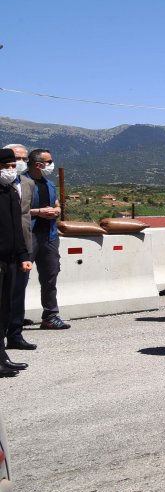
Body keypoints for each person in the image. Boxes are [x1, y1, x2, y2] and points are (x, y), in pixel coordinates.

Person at [0, 148, 33, 377]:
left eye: (14, 166)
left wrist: (23, 256)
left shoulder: (10, 192)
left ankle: (2, 357)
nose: (11, 170)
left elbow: (17, 229)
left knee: (5, 310)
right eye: (6, 166)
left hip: (12, 259)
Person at [27, 148, 67, 330]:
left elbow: (57, 204)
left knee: (50, 277)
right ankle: (14, 317)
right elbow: (14, 211)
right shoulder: (22, 183)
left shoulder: (49, 184)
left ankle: (50, 316)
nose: (51, 165)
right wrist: (39, 212)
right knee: (19, 279)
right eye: (49, 162)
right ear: (38, 164)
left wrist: (56, 211)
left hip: (49, 236)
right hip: (28, 236)